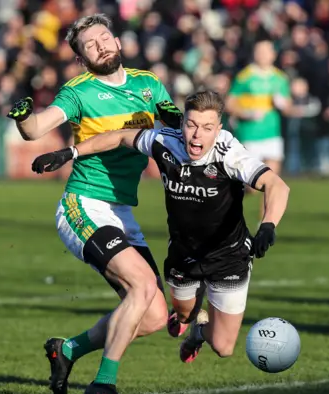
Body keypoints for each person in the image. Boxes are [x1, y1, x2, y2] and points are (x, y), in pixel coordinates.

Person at [32, 89, 290, 371]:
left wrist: (268, 225)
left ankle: (199, 334)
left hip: (228, 256)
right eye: (191, 125)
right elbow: (120, 136)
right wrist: (70, 152)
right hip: (184, 253)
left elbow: (276, 185)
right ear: (181, 123)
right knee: (182, 314)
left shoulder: (230, 155)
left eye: (206, 128)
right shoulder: (165, 141)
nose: (196, 135)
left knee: (224, 347)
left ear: (219, 129)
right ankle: (189, 321)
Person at [6, 14, 184, 394]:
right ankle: (103, 383)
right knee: (140, 286)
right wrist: (24, 119)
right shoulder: (78, 91)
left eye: (105, 38)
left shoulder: (148, 84)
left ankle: (67, 349)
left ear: (118, 42)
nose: (101, 46)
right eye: (91, 44)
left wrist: (175, 123)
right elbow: (38, 129)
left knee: (153, 314)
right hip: (83, 205)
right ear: (83, 59)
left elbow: (171, 127)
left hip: (122, 210)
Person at [225, 40, 290, 221]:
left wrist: (283, 103)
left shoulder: (280, 78)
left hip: (272, 134)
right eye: (259, 51)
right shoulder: (245, 76)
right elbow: (230, 103)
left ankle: (266, 225)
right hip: (250, 135)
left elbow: (288, 106)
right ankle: (230, 197)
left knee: (272, 182)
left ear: (273, 55)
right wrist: (246, 113)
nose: (263, 55)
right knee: (253, 187)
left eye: (266, 51)